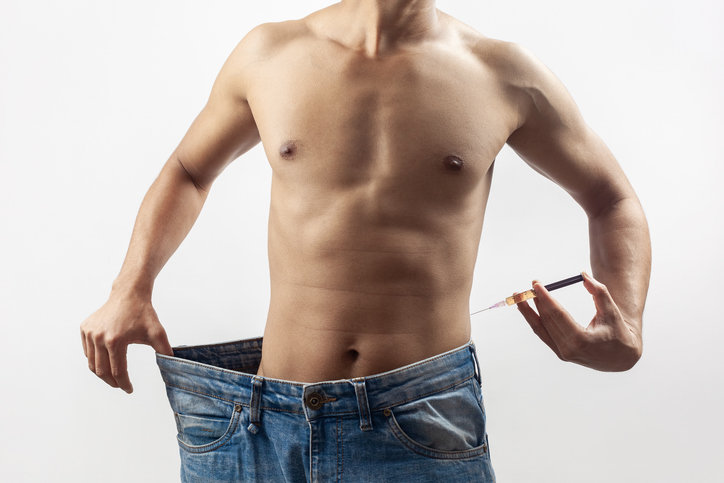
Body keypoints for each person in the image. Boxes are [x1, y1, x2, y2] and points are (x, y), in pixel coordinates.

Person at [80, 0, 651, 481]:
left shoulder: (501, 72)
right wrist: (131, 287)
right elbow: (188, 170)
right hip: (258, 429)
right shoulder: (271, 53)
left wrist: (626, 320)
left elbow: (611, 199)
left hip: (416, 425)